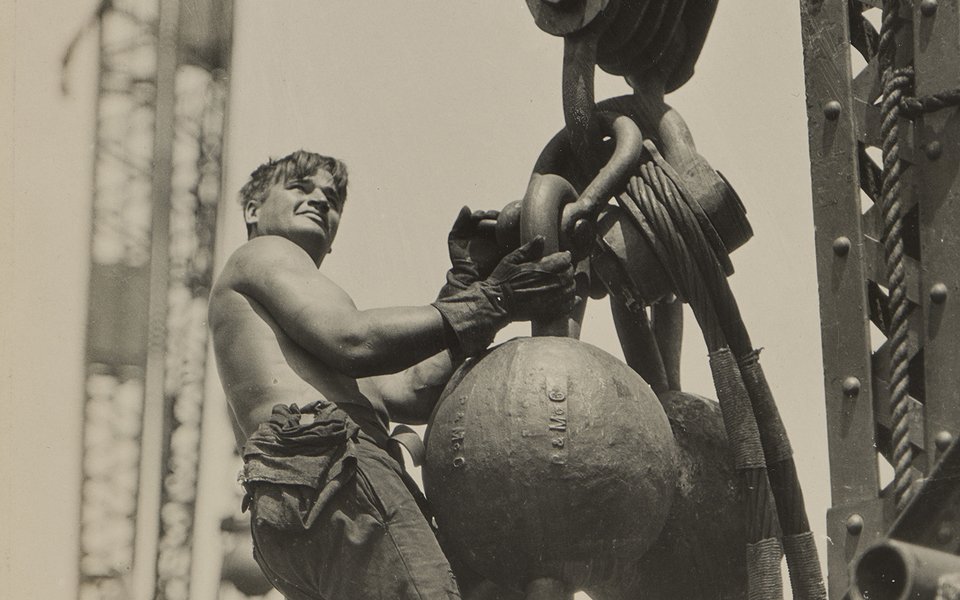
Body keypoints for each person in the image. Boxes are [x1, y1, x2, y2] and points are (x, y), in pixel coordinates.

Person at [208, 149, 577, 600]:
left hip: (300, 506)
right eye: (300, 187)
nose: (321, 199)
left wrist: (465, 284)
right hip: (332, 469)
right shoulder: (264, 253)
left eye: (332, 196)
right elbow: (355, 340)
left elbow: (413, 390)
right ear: (252, 210)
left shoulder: (293, 334)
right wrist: (493, 300)